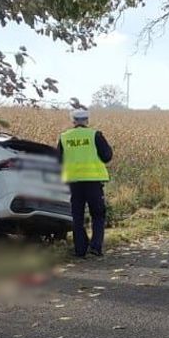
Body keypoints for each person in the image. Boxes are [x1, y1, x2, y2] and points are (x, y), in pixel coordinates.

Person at [57, 106, 112, 258]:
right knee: (98, 214)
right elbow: (107, 156)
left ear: (73, 121)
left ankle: (80, 250)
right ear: (87, 120)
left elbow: (59, 160)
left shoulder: (64, 137)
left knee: (77, 216)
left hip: (73, 182)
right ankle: (95, 247)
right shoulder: (95, 135)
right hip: (93, 181)